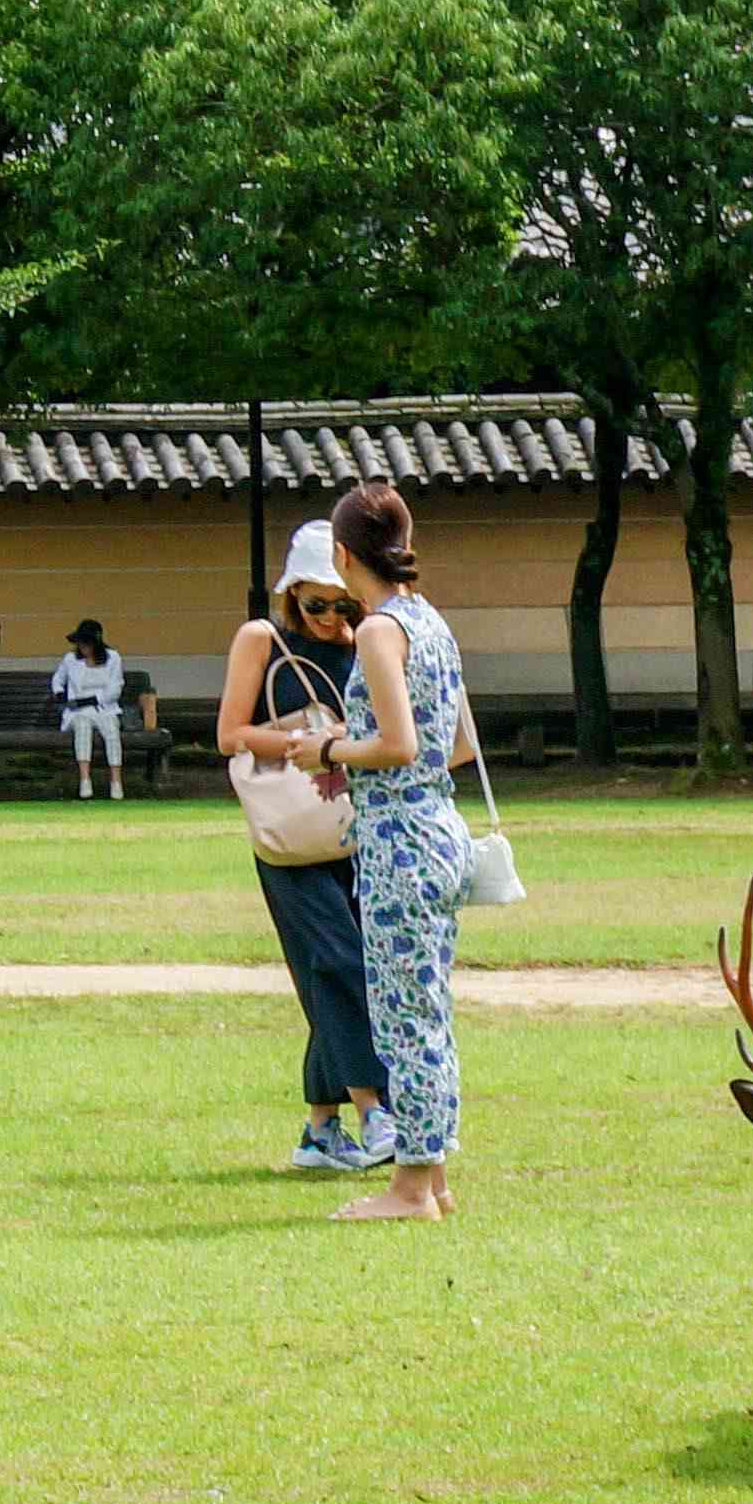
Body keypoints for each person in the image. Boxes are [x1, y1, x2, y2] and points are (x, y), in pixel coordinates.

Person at [238, 482, 475, 1224]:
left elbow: (397, 744)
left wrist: (330, 746)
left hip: (397, 838)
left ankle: (410, 1187)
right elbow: (454, 745)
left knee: (402, 1017)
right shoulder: (431, 621)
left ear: (343, 556)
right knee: (427, 1011)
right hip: (441, 827)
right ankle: (432, 1176)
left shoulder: (380, 631)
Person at [215, 523, 386, 1174]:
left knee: (343, 970)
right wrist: (307, 743)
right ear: (291, 595)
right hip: (290, 834)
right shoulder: (263, 639)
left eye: (344, 605)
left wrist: (345, 741)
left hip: (356, 825)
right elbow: (230, 733)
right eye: (316, 605)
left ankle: (320, 1130)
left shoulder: (368, 641)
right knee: (339, 962)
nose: (330, 619)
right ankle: (377, 1110)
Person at [47, 620, 131, 801]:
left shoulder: (113, 658)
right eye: (80, 643)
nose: (83, 647)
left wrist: (92, 700)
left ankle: (116, 780)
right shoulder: (70, 660)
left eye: (86, 643)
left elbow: (115, 689)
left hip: (104, 709)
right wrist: (61, 695)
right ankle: (85, 780)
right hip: (77, 712)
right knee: (82, 727)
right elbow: (57, 681)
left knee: (111, 730)